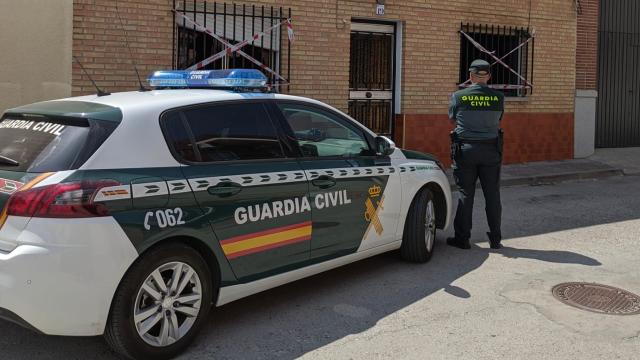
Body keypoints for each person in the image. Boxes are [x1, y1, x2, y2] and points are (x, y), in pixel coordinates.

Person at [447, 59, 505, 250]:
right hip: (491, 150)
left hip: (466, 151)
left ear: (470, 76)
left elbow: (452, 118)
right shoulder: (498, 97)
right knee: (492, 194)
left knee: (465, 194)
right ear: (488, 76)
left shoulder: (458, 96)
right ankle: (495, 239)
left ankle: (462, 238)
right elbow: (499, 118)